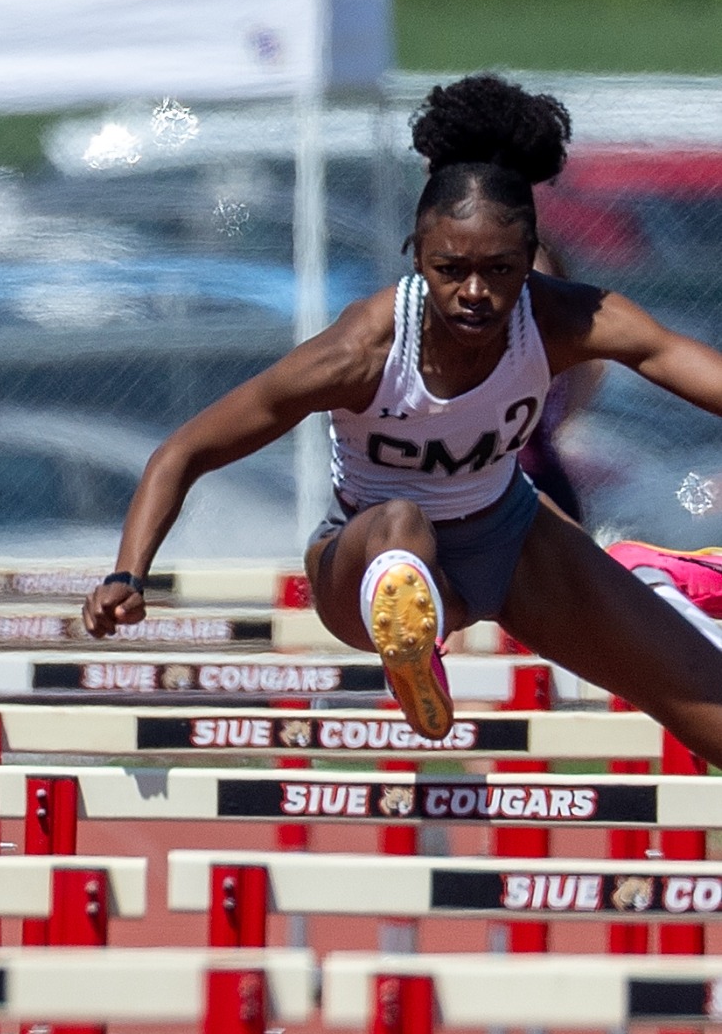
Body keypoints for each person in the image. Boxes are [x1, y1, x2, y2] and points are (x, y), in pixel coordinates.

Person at [83, 75, 722, 756]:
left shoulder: (565, 317)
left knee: (708, 704)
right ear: (415, 256)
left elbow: (680, 360)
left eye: (501, 272)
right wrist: (128, 573)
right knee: (401, 525)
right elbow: (185, 451)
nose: (475, 293)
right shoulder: (359, 352)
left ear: (531, 262)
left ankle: (634, 577)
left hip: (511, 538)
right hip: (360, 558)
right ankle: (412, 641)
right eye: (451, 269)